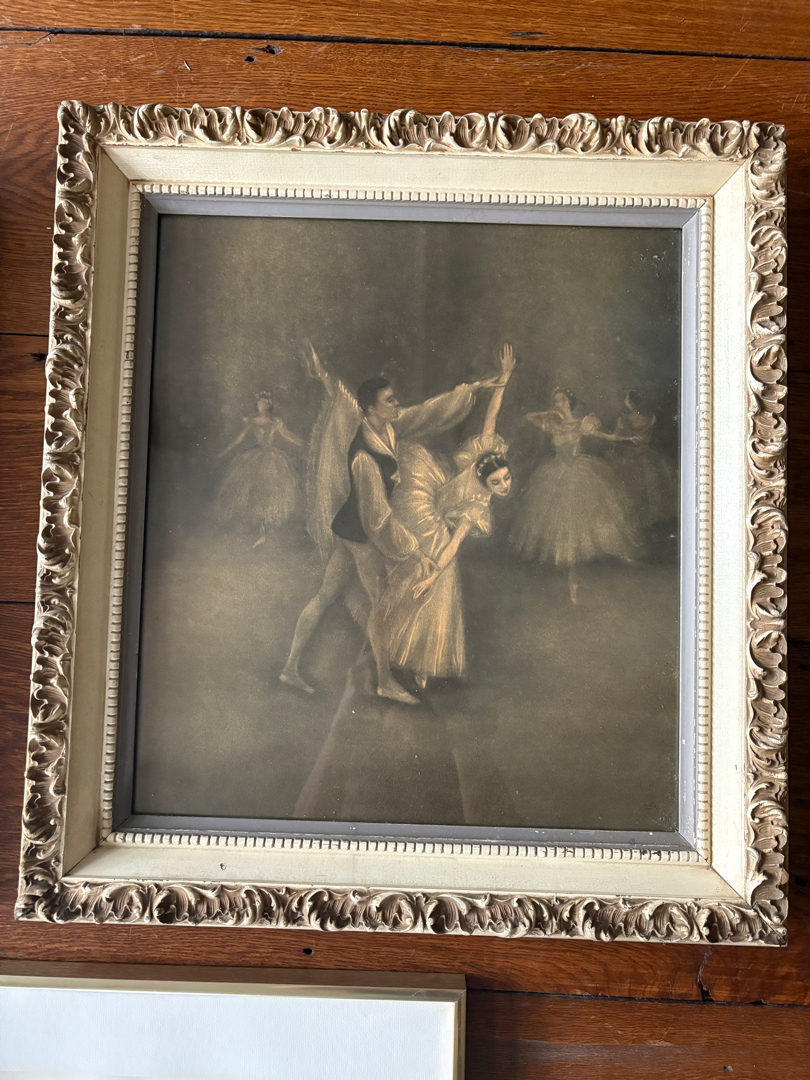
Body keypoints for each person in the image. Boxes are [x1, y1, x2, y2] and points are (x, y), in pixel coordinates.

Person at [280, 345, 502, 704]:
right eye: (390, 400)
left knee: (326, 595)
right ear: (370, 409)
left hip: (347, 528)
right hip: (361, 535)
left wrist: (473, 390)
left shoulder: (389, 426)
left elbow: (427, 412)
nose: (397, 404)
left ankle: (289, 667)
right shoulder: (364, 458)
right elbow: (378, 519)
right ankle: (384, 681)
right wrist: (416, 554)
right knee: (380, 606)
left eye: (395, 398)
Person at [381, 344, 515, 689]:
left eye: (506, 479)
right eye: (498, 481)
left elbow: (454, 543)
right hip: (424, 501)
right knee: (418, 578)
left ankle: (422, 661)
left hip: (438, 524)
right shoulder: (484, 456)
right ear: (485, 474)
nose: (504, 486)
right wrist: (505, 378)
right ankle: (389, 642)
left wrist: (433, 576)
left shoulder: (477, 507)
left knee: (435, 584)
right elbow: (491, 416)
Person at [510, 387, 640, 604]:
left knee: (584, 524)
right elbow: (527, 417)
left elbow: (607, 436)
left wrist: (627, 439)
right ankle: (571, 585)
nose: (558, 404)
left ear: (569, 402)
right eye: (555, 401)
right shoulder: (552, 425)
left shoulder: (582, 424)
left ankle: (577, 582)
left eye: (561, 400)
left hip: (578, 474)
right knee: (562, 528)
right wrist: (548, 413)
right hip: (555, 475)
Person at [217, 392, 303, 547]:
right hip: (255, 457)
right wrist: (225, 450)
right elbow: (239, 438)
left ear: (269, 405)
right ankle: (260, 532)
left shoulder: (275, 421)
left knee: (269, 492)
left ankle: (265, 533)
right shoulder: (251, 420)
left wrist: (298, 441)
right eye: (259, 403)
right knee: (254, 492)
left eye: (264, 403)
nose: (261, 405)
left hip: (271, 458)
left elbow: (286, 434)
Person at [610, 390, 678, 528]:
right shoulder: (648, 418)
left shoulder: (624, 419)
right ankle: (644, 520)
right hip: (644, 455)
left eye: (627, 400)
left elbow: (617, 438)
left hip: (634, 457)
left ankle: (642, 520)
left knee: (641, 487)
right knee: (647, 486)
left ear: (628, 402)